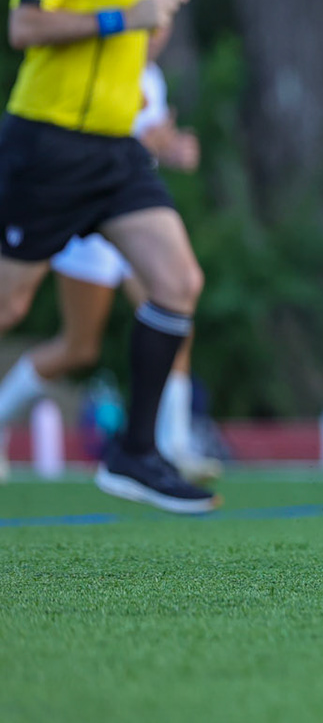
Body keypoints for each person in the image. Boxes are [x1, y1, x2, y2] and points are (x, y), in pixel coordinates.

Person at [0, 0, 210, 512]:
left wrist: (144, 37)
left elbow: (112, 42)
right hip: (48, 144)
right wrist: (128, 15)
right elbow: (24, 29)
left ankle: (136, 454)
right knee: (9, 304)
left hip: (117, 153)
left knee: (178, 281)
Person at [0, 40, 215, 481]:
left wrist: (172, 150)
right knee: (74, 344)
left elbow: (146, 151)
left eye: (167, 27)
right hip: (84, 216)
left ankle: (169, 446)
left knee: (174, 300)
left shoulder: (151, 77)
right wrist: (146, 143)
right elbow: (92, 142)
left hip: (132, 218)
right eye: (154, 24)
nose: (160, 35)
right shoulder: (99, 64)